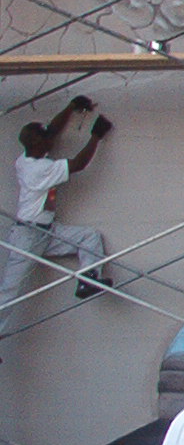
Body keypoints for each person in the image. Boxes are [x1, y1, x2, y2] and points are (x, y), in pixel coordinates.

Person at [0, 95, 114, 335]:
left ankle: (88, 279)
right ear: (36, 144)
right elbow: (78, 164)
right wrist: (96, 136)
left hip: (47, 232)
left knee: (89, 237)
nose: (51, 141)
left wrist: (72, 107)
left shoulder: (28, 157)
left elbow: (51, 130)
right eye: (46, 139)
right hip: (27, 237)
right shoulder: (37, 169)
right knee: (9, 292)